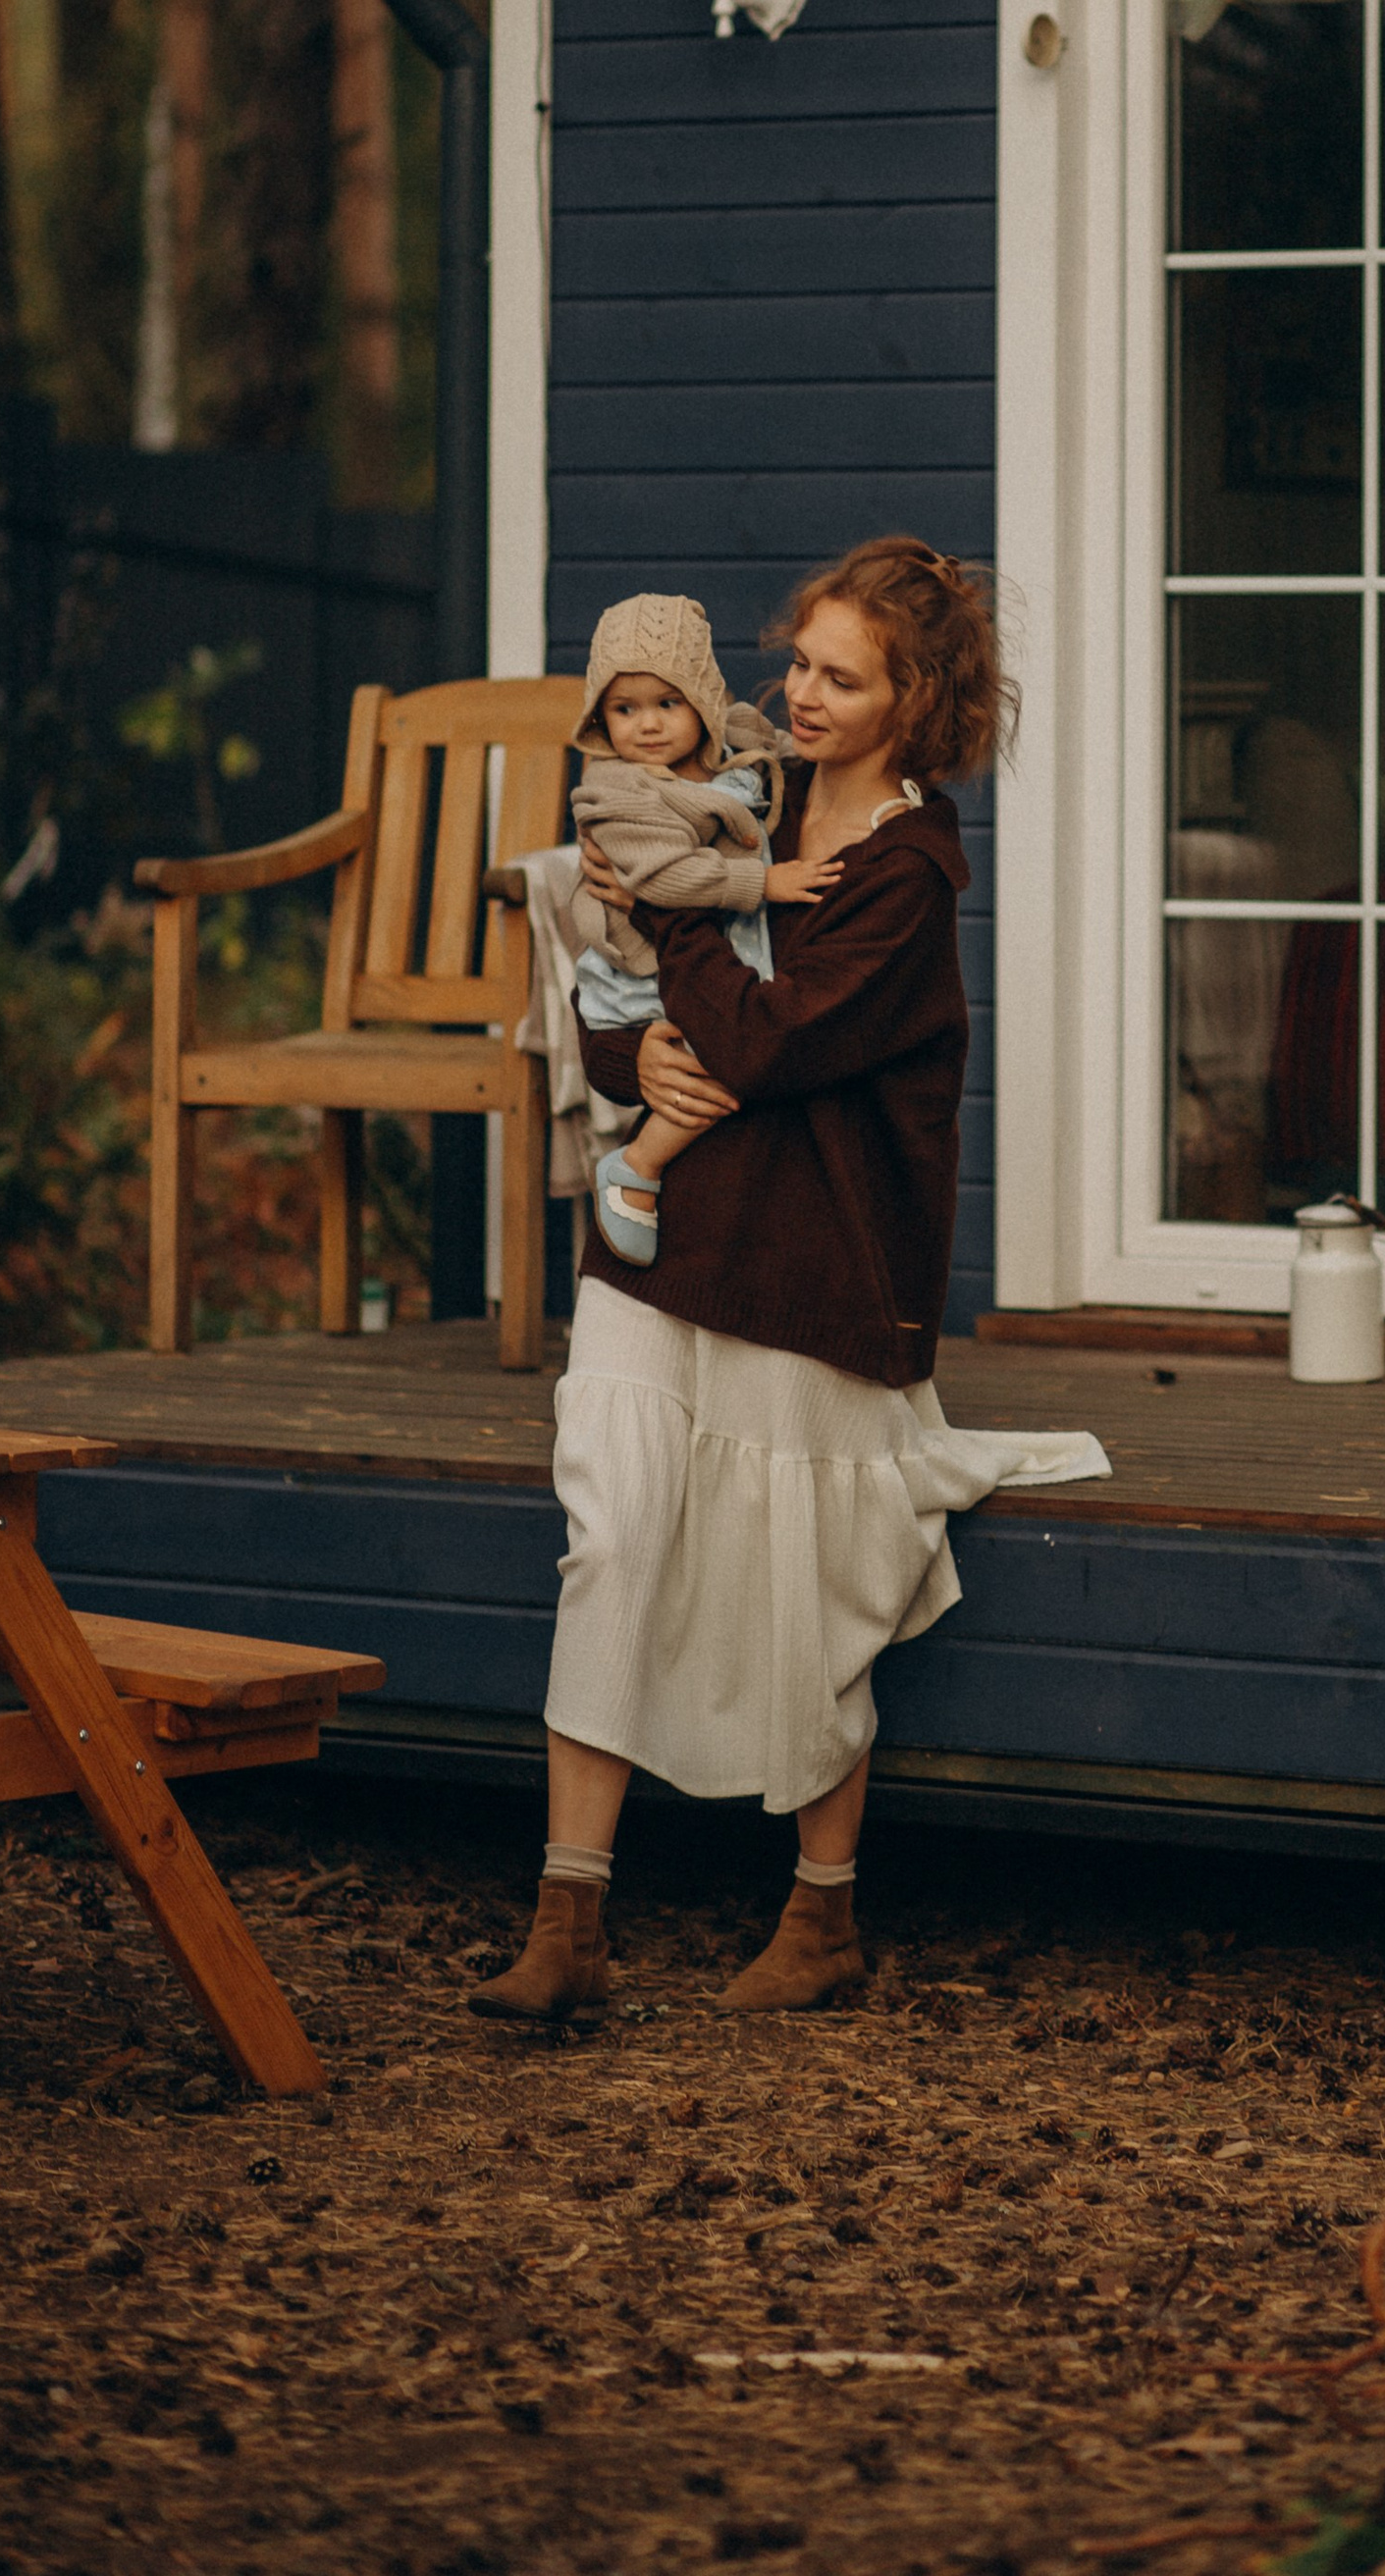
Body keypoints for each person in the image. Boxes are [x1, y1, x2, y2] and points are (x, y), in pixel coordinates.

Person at [469, 538, 1105, 2028]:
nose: (803, 693)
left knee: (802, 1577)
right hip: (669, 1234)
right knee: (611, 1537)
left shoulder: (904, 877)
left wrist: (677, 914)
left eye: (843, 676)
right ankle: (568, 1918)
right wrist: (643, 1034)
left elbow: (766, 1045)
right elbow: (619, 1012)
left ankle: (823, 1918)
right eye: (799, 663)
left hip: (818, 1265)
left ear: (917, 699)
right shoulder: (736, 786)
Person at [563, 591, 840, 1261]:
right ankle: (638, 1166)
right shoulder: (619, 792)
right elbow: (661, 882)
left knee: (737, 1048)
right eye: (624, 709)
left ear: (704, 704)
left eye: (668, 702)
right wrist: (762, 881)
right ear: (601, 715)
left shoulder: (727, 747)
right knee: (713, 1058)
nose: (648, 726)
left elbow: (773, 749)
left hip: (705, 959)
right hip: (642, 976)